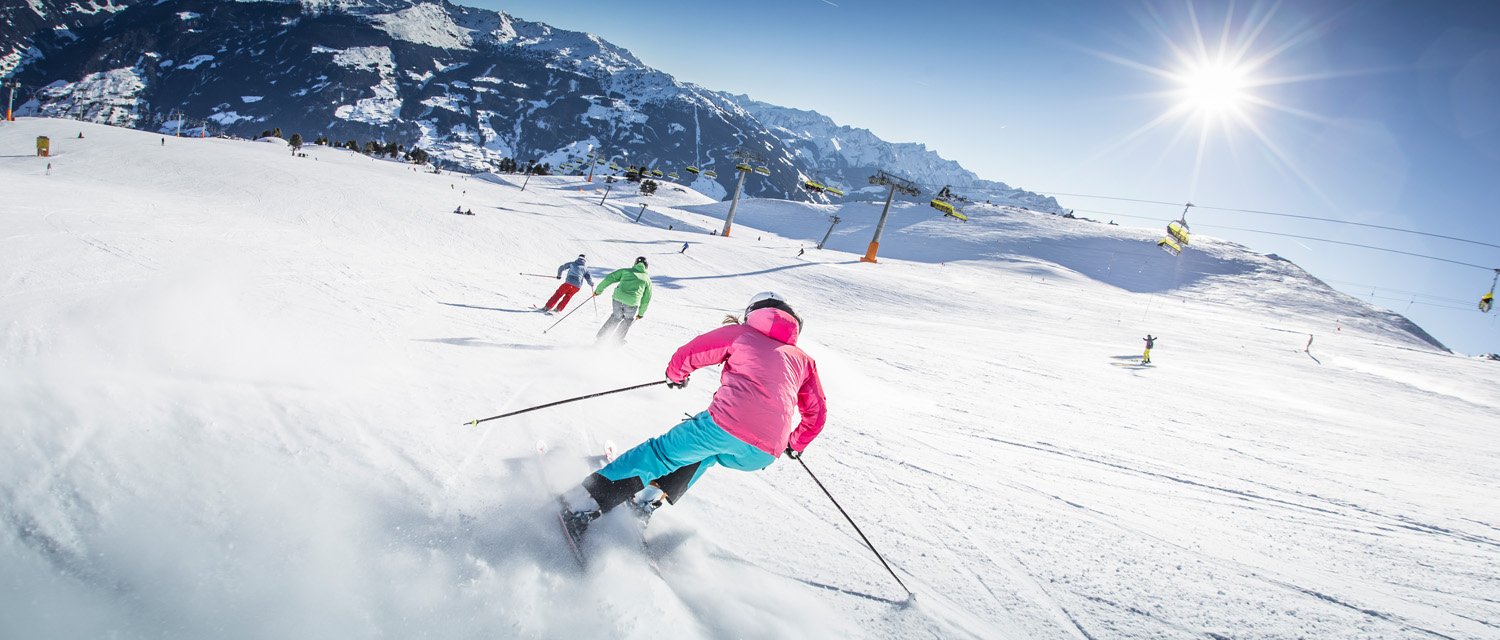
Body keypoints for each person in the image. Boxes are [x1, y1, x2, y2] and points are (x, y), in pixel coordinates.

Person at [561, 292, 826, 536]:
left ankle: (585, 502)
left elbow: (694, 351)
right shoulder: (803, 359)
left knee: (659, 454)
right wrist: (795, 442)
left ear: (753, 312)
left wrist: (676, 375)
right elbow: (817, 413)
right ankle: (646, 501)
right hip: (764, 452)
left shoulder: (742, 333)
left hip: (726, 425)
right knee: (703, 455)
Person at [593, 256, 652, 343]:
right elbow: (646, 299)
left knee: (616, 317)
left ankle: (601, 338)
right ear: (646, 266)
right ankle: (617, 340)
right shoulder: (647, 280)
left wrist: (598, 291)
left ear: (635, 263)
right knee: (627, 319)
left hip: (617, 299)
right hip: (632, 303)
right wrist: (640, 313)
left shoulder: (626, 271)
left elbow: (610, 278)